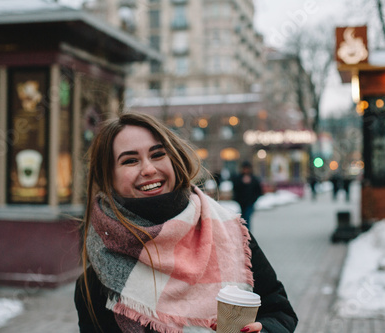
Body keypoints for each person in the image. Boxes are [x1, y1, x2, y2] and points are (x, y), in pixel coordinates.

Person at [74, 112, 297, 333]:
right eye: (130, 160)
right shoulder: (97, 282)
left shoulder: (233, 237)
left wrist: (264, 330)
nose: (149, 169)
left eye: (158, 154)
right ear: (108, 176)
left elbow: (279, 311)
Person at [232, 161, 263, 232]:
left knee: (247, 218)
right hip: (241, 202)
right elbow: (236, 188)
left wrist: (253, 199)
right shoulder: (238, 178)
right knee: (243, 218)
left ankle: (247, 234)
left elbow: (258, 191)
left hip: (250, 202)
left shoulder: (254, 179)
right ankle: (244, 233)